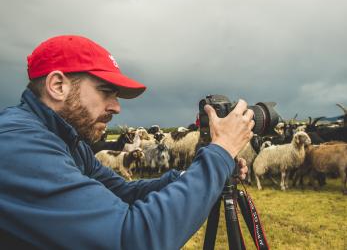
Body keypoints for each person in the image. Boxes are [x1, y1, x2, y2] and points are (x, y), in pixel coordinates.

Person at [0, 35, 254, 249]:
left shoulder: (67, 142)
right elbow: (131, 239)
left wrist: (190, 175)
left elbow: (123, 193)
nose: (117, 107)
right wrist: (220, 152)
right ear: (57, 85)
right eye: (106, 91)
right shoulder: (17, 144)